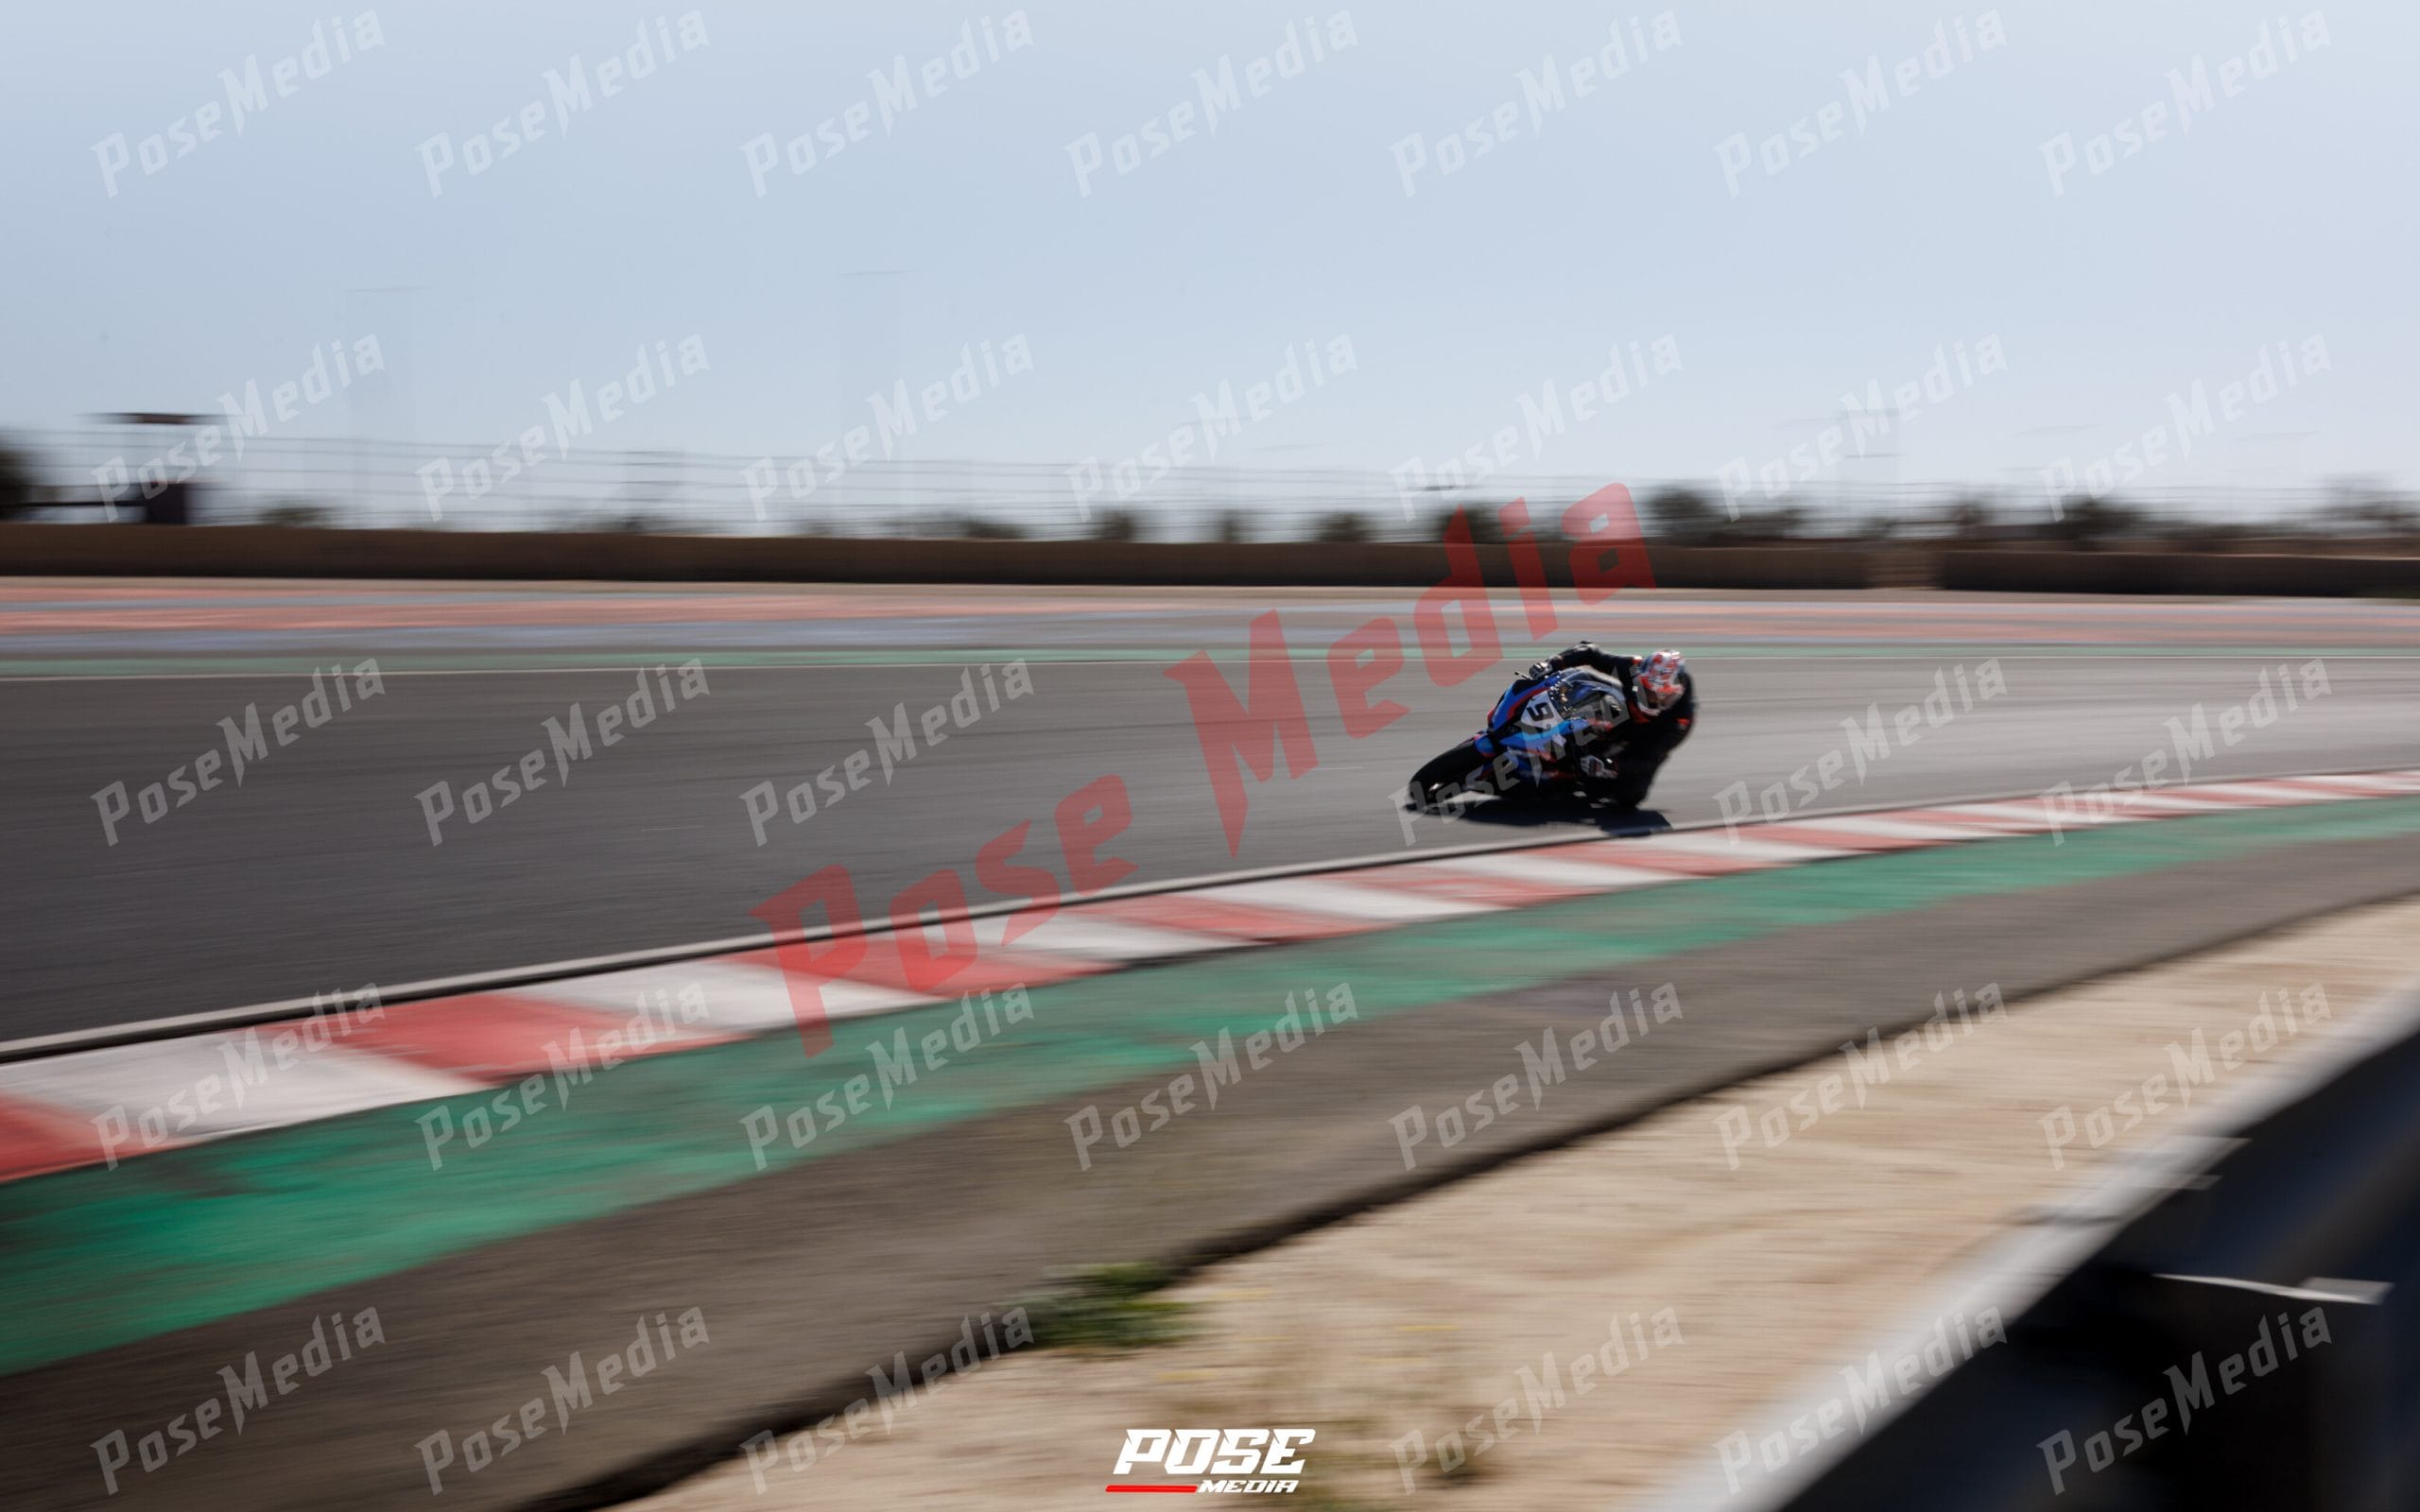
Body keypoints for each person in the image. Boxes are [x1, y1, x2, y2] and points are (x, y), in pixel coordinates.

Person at [1505, 642, 1694, 808]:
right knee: (1590, 687)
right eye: (1647, 690)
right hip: (1624, 710)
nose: (1651, 699)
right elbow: (1591, 652)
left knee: (1632, 794)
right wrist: (1552, 663)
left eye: (1659, 697)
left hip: (1648, 737)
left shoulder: (1679, 721)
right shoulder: (1634, 667)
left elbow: (1649, 758)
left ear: (1673, 696)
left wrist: (1611, 767)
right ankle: (1540, 724)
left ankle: (1574, 776)